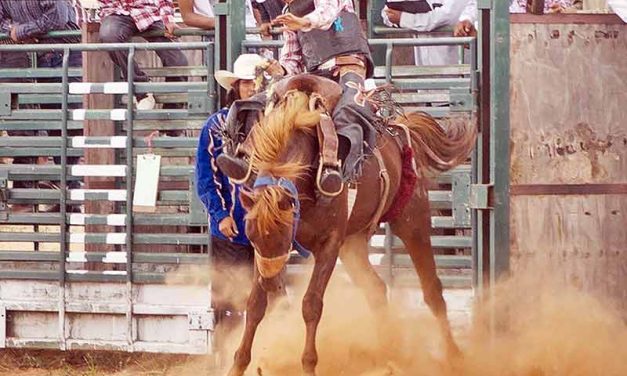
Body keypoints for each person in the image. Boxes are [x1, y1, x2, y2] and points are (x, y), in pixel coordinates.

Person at [218, 0, 377, 196]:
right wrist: (281, 68)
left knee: (349, 108)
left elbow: (326, 13)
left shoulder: (310, 9)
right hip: (315, 74)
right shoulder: (289, 12)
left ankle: (336, 167)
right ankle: (246, 156)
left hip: (348, 65)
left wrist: (302, 22)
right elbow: (292, 56)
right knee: (264, 101)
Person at [195, 54, 261, 340]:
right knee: (229, 300)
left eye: (256, 82)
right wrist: (220, 215)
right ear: (236, 86)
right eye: (247, 83)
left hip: (266, 230)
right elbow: (206, 176)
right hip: (231, 226)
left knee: (264, 298)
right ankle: (225, 357)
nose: (252, 88)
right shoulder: (216, 125)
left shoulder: (274, 125)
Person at [0, 0, 83, 212]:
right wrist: (16, 31)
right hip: (40, 55)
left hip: (63, 52)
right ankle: (66, 196)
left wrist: (22, 31)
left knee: (67, 122)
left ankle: (72, 193)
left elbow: (57, 17)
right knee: (55, 124)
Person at [97, 0, 189, 110]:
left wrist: (168, 19)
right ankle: (141, 89)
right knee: (109, 36)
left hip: (149, 14)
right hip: (117, 12)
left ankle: (172, 117)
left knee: (177, 61)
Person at [382, 0, 471, 66]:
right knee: (425, 86)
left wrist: (404, 19)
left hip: (451, 58)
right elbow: (386, 13)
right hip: (422, 57)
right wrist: (400, 19)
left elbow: (445, 17)